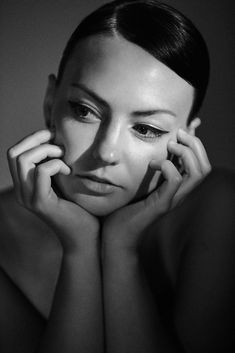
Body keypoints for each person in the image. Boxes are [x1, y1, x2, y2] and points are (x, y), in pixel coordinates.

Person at [0, 0, 234, 352]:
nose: (106, 153)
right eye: (84, 111)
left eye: (146, 128)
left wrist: (121, 248)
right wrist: (79, 248)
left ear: (187, 138)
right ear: (51, 103)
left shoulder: (221, 211)